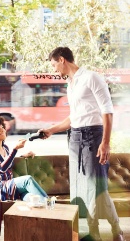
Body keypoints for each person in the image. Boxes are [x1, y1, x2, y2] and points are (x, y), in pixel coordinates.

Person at [39, 47, 124, 241]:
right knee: (81, 188)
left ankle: (108, 230)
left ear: (62, 60)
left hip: (93, 136)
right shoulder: (71, 84)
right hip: (75, 137)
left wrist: (105, 143)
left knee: (95, 187)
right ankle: (97, 231)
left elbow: (107, 111)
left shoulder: (92, 78)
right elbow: (74, 118)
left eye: (53, 65)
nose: (54, 70)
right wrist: (51, 130)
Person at [0, 115, 48, 202]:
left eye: (2, 127)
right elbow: (1, 168)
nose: (2, 130)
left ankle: (49, 209)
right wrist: (15, 149)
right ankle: (50, 205)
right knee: (27, 180)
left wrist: (23, 156)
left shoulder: (5, 148)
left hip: (10, 188)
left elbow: (8, 163)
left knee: (32, 197)